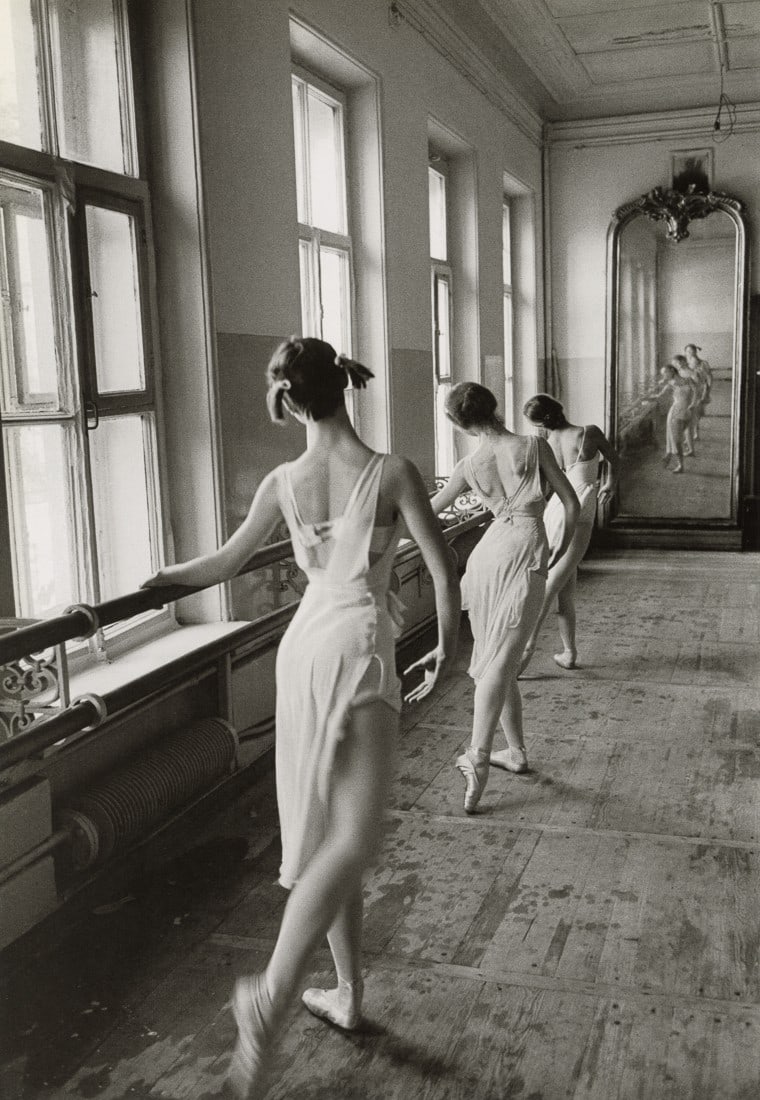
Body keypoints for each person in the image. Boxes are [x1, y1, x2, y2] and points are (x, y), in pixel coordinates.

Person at [142, 337, 460, 1098]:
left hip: (305, 647)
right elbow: (442, 574)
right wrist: (449, 653)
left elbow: (218, 565)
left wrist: (153, 585)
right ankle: (272, 993)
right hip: (359, 647)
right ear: (344, 387)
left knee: (329, 832)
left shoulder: (284, 480)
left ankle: (347, 996)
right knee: (356, 837)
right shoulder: (392, 473)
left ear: (289, 401)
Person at [429, 382, 579, 814]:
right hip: (525, 550)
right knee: (500, 660)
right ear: (494, 406)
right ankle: (478, 756)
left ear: (458, 423)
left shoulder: (468, 464)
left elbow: (425, 512)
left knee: (500, 657)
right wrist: (561, 548)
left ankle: (515, 753)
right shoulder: (533, 445)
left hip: (488, 555)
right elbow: (569, 503)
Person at [518, 395, 620, 674]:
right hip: (579, 510)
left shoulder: (546, 444)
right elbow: (614, 459)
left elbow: (540, 487)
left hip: (558, 509)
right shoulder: (588, 432)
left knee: (561, 589)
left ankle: (565, 652)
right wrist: (609, 482)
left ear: (541, 423)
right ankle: (527, 652)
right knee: (552, 588)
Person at [654, 362, 694, 473]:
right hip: (676, 413)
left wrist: (694, 403)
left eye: (665, 373)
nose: (664, 376)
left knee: (677, 438)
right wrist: (649, 396)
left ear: (672, 370)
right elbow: (658, 395)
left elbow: (696, 391)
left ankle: (669, 455)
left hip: (687, 413)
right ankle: (680, 465)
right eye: (663, 374)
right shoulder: (670, 384)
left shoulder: (688, 380)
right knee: (677, 440)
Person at [671, 353, 703, 454]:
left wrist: (694, 402)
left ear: (684, 361)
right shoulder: (678, 373)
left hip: (690, 402)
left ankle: (691, 449)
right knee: (685, 428)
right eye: (676, 364)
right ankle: (689, 448)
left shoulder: (692, 373)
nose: (678, 365)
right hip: (680, 402)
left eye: (679, 362)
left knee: (688, 428)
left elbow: (698, 389)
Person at [684, 344, 713, 436]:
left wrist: (708, 389)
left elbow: (709, 376)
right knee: (688, 411)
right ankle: (690, 432)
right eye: (688, 351)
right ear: (685, 352)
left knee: (697, 411)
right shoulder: (685, 364)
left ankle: (696, 430)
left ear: (696, 351)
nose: (690, 353)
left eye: (692, 351)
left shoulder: (703, 363)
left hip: (700, 389)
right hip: (688, 390)